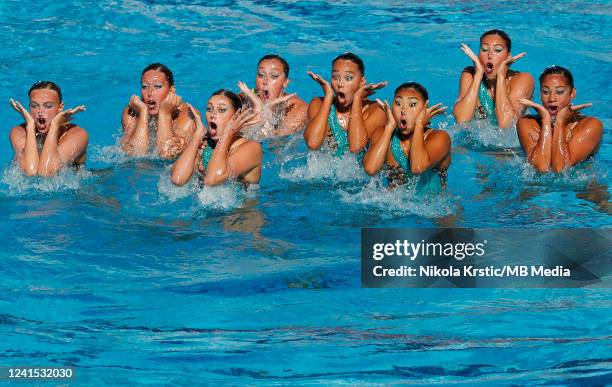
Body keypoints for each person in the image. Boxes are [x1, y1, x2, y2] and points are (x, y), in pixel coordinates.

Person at [363, 82, 450, 190]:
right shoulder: (382, 133)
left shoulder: (440, 138)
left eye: (412, 104)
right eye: (398, 103)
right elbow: (370, 170)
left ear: (425, 109)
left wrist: (419, 124)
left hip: (433, 205)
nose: (403, 110)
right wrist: (389, 127)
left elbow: (417, 168)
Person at [517, 66, 603, 173]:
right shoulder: (527, 123)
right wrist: (546, 120)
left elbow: (560, 169)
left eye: (559, 92)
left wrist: (560, 122)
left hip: (583, 187)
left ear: (572, 94)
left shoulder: (591, 126)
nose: (552, 99)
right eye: (545, 92)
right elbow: (541, 167)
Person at [171, 90, 261, 187]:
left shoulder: (252, 148)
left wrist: (227, 135)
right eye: (209, 109)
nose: (212, 115)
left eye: (222, 110)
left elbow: (212, 180)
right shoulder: (206, 145)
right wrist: (198, 135)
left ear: (237, 117)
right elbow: (178, 179)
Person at [304, 52, 387, 156]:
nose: (340, 84)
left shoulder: (376, 110)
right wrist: (328, 97)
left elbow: (356, 147)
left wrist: (357, 98)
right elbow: (313, 143)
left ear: (362, 82)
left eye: (348, 78)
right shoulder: (319, 104)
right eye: (335, 77)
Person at [453, 29, 534, 129]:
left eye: (497, 50)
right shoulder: (470, 75)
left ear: (508, 56)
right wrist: (478, 75)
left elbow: (507, 125)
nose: (490, 55)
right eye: (484, 49)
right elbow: (461, 120)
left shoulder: (523, 79)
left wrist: (501, 76)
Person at [9, 81, 88, 176]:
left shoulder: (77, 134)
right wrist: (30, 126)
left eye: (48, 106)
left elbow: (47, 173)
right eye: (34, 106)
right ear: (29, 107)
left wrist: (54, 126)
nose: (40, 111)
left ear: (60, 107)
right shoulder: (19, 131)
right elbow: (30, 172)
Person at [121, 63, 195, 159]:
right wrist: (143, 113)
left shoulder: (187, 115)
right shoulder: (132, 113)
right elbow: (135, 154)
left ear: (171, 91)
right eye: (145, 87)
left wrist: (165, 114)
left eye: (158, 86)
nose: (150, 93)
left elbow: (167, 156)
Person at [237, 54, 308, 137]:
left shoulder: (296, 108)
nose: (265, 81)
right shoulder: (247, 98)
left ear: (285, 82)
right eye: (261, 75)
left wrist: (265, 110)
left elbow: (276, 144)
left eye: (274, 76)